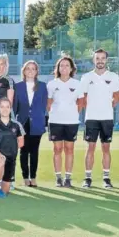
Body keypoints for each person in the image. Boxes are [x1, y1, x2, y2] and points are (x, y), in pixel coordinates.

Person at [79, 49, 119, 189]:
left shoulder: (114, 77)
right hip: (91, 118)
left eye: (103, 58)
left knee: (106, 148)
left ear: (106, 60)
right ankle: (88, 177)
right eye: (98, 58)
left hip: (107, 119)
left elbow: (117, 97)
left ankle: (106, 178)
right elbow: (83, 98)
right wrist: (93, 107)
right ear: (94, 60)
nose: (100, 61)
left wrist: (106, 107)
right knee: (90, 148)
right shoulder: (86, 77)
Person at [47, 56, 84, 188]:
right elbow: (48, 103)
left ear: (71, 68)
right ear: (58, 68)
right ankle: (58, 177)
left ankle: (68, 178)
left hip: (71, 122)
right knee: (57, 149)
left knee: (69, 149)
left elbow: (81, 103)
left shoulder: (77, 84)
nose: (64, 68)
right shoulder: (51, 84)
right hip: (55, 121)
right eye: (61, 65)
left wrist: (72, 114)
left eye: (67, 65)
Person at [13, 60, 48, 187]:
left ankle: (33, 177)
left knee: (34, 151)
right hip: (22, 123)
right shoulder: (18, 86)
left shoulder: (43, 86)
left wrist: (39, 118)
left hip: (36, 123)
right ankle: (25, 177)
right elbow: (15, 107)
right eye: (28, 68)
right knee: (23, 151)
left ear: (37, 71)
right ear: (24, 71)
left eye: (33, 68)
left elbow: (43, 106)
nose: (30, 71)